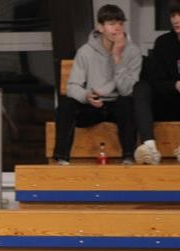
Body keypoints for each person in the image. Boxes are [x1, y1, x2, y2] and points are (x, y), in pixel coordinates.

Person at [52, 4, 141, 165]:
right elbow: (72, 86)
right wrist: (86, 96)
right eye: (111, 24)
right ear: (101, 27)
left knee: (128, 103)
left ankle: (128, 157)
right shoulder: (85, 51)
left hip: (117, 105)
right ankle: (61, 158)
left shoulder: (132, 51)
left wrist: (117, 58)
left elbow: (127, 90)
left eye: (120, 24)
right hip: (92, 105)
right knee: (65, 105)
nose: (117, 28)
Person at [133, 0, 180, 164]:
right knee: (141, 87)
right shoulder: (163, 42)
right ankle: (150, 148)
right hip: (167, 101)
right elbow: (156, 81)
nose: (176, 20)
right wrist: (175, 85)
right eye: (173, 15)